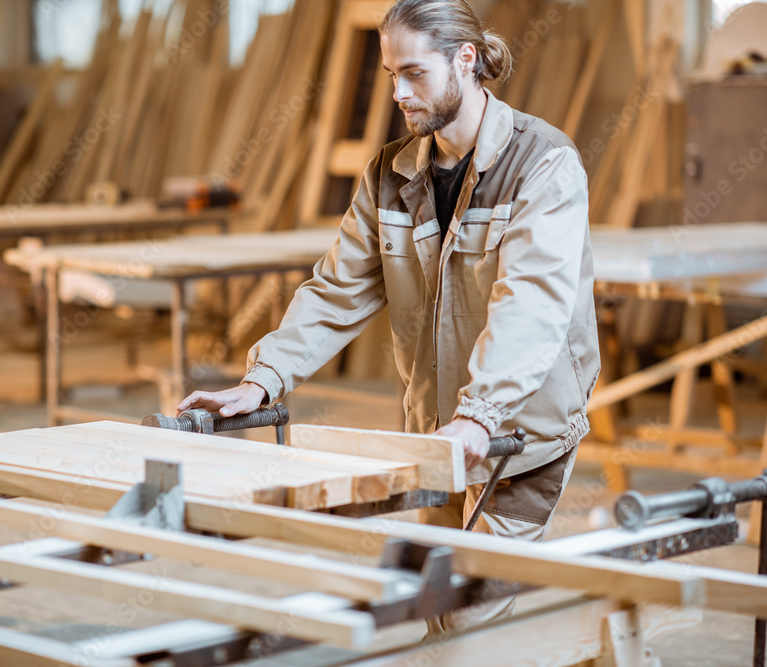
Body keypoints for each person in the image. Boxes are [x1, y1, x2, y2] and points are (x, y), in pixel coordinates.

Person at [178, 0, 600, 634]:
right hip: (438, 430)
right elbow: (336, 289)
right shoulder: (390, 173)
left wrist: (481, 415)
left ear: (466, 59)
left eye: (414, 73)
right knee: (435, 609)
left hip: (520, 435)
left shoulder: (542, 162)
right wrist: (260, 380)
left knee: (466, 614)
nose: (400, 93)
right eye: (390, 75)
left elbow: (532, 303)